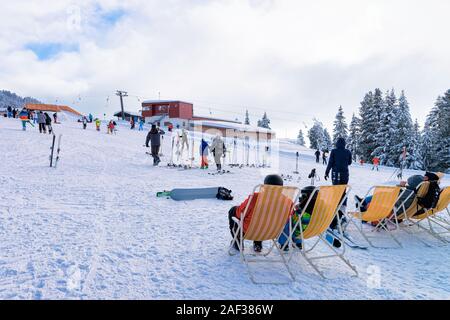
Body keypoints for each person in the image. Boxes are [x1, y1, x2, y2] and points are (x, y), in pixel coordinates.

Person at [229, 174, 288, 253]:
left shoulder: (255, 198)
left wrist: (235, 210)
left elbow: (240, 214)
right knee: (265, 219)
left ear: (265, 186)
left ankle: (238, 242)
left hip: (249, 231)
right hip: (271, 232)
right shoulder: (287, 202)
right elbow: (288, 217)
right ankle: (258, 244)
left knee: (233, 210)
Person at [356, 172, 442, 219]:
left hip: (398, 211)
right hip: (411, 209)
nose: (423, 177)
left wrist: (400, 188)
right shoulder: (429, 189)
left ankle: (363, 203)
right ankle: (363, 202)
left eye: (424, 176)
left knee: (384, 195)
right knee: (386, 195)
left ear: (426, 179)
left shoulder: (422, 186)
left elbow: (411, 181)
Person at [325, 138, 352, 211]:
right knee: (343, 191)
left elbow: (330, 162)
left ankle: (334, 208)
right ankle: (342, 209)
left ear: (337, 143)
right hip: (345, 174)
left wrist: (326, 172)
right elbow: (349, 162)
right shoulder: (348, 152)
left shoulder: (334, 151)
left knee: (335, 190)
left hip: (336, 174)